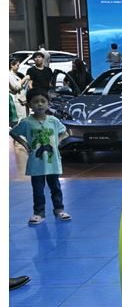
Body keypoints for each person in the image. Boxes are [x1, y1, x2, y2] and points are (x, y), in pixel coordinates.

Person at [9, 88, 72, 225]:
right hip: (36, 163)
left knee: (55, 187)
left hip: (52, 162)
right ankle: (39, 212)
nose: (40, 104)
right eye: (35, 102)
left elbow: (65, 132)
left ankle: (59, 209)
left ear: (48, 103)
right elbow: (13, 132)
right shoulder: (26, 122)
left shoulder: (54, 121)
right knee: (38, 189)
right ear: (29, 105)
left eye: (43, 101)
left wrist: (57, 141)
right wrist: (25, 144)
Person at [9, 58, 30, 123]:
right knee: (20, 117)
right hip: (16, 99)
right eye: (17, 65)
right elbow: (16, 87)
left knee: (24, 116)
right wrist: (24, 79)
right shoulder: (9, 75)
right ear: (12, 65)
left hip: (21, 99)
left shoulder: (16, 74)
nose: (18, 67)